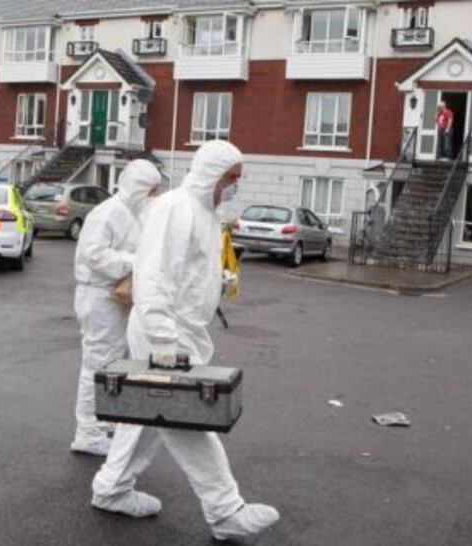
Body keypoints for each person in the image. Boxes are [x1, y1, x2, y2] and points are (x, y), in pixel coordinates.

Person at [90, 140, 279, 542]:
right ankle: (225, 510)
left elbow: (188, 269)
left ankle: (111, 488)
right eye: (231, 179)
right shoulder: (177, 208)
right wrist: (163, 339)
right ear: (213, 175)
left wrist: (218, 281)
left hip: (182, 329)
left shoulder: (205, 214)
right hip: (166, 332)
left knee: (149, 414)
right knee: (189, 419)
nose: (235, 187)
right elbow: (154, 273)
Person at [70, 159, 163, 456]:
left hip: (117, 296)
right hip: (99, 296)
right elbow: (93, 255)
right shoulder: (108, 213)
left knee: (114, 362)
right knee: (97, 363)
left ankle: (102, 421)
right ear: (138, 187)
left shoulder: (134, 214)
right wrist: (134, 263)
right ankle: (88, 431)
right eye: (151, 190)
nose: (155, 196)